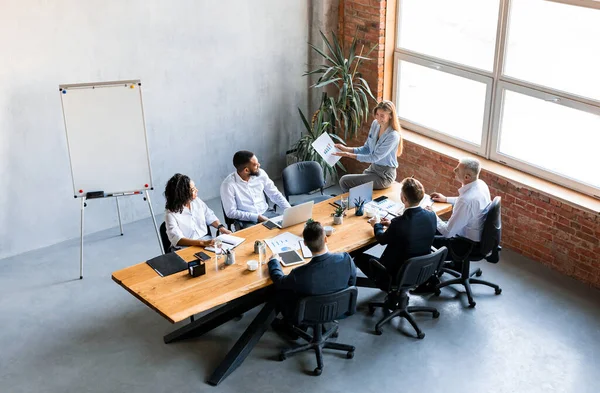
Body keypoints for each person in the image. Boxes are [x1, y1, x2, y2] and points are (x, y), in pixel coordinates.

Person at [415, 157, 492, 293]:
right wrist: (446, 199)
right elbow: (466, 201)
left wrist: (433, 214)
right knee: (433, 227)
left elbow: (447, 232)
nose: (454, 170)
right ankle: (457, 265)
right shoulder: (480, 184)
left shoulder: (467, 201)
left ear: (467, 176)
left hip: (465, 244)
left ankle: (428, 282)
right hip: (479, 237)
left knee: (422, 238)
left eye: (458, 169)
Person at [268, 221, 356, 327]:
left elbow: (279, 281)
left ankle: (288, 327)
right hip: (340, 307)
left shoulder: (299, 274)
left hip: (308, 313)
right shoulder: (345, 259)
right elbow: (352, 282)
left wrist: (274, 261)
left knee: (279, 292)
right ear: (326, 239)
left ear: (304, 244)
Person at [355, 178, 437, 288]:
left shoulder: (399, 223)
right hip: (420, 270)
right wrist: (391, 225)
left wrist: (376, 224)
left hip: (394, 274)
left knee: (358, 257)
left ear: (403, 198)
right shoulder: (431, 215)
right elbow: (412, 230)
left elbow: (382, 239)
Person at [333, 100, 403, 193]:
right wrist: (346, 149)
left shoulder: (393, 136)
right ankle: (352, 204)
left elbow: (374, 157)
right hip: (373, 169)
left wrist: (348, 155)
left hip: (384, 175)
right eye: (377, 114)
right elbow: (367, 148)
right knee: (355, 187)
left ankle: (350, 204)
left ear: (390, 116)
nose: (378, 118)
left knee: (344, 181)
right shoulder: (375, 124)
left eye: (382, 115)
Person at [220, 150, 291, 229]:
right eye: (255, 165)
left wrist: (289, 210)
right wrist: (257, 217)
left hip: (266, 212)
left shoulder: (261, 174)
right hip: (246, 220)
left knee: (286, 229)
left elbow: (275, 194)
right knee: (257, 238)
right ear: (246, 170)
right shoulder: (228, 185)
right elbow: (231, 212)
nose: (259, 165)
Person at [164, 173, 231, 251]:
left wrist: (221, 228)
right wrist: (202, 243)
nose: (196, 190)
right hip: (185, 248)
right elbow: (178, 239)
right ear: (182, 194)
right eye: (192, 189)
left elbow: (209, 216)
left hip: (206, 241)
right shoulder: (170, 214)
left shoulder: (197, 201)